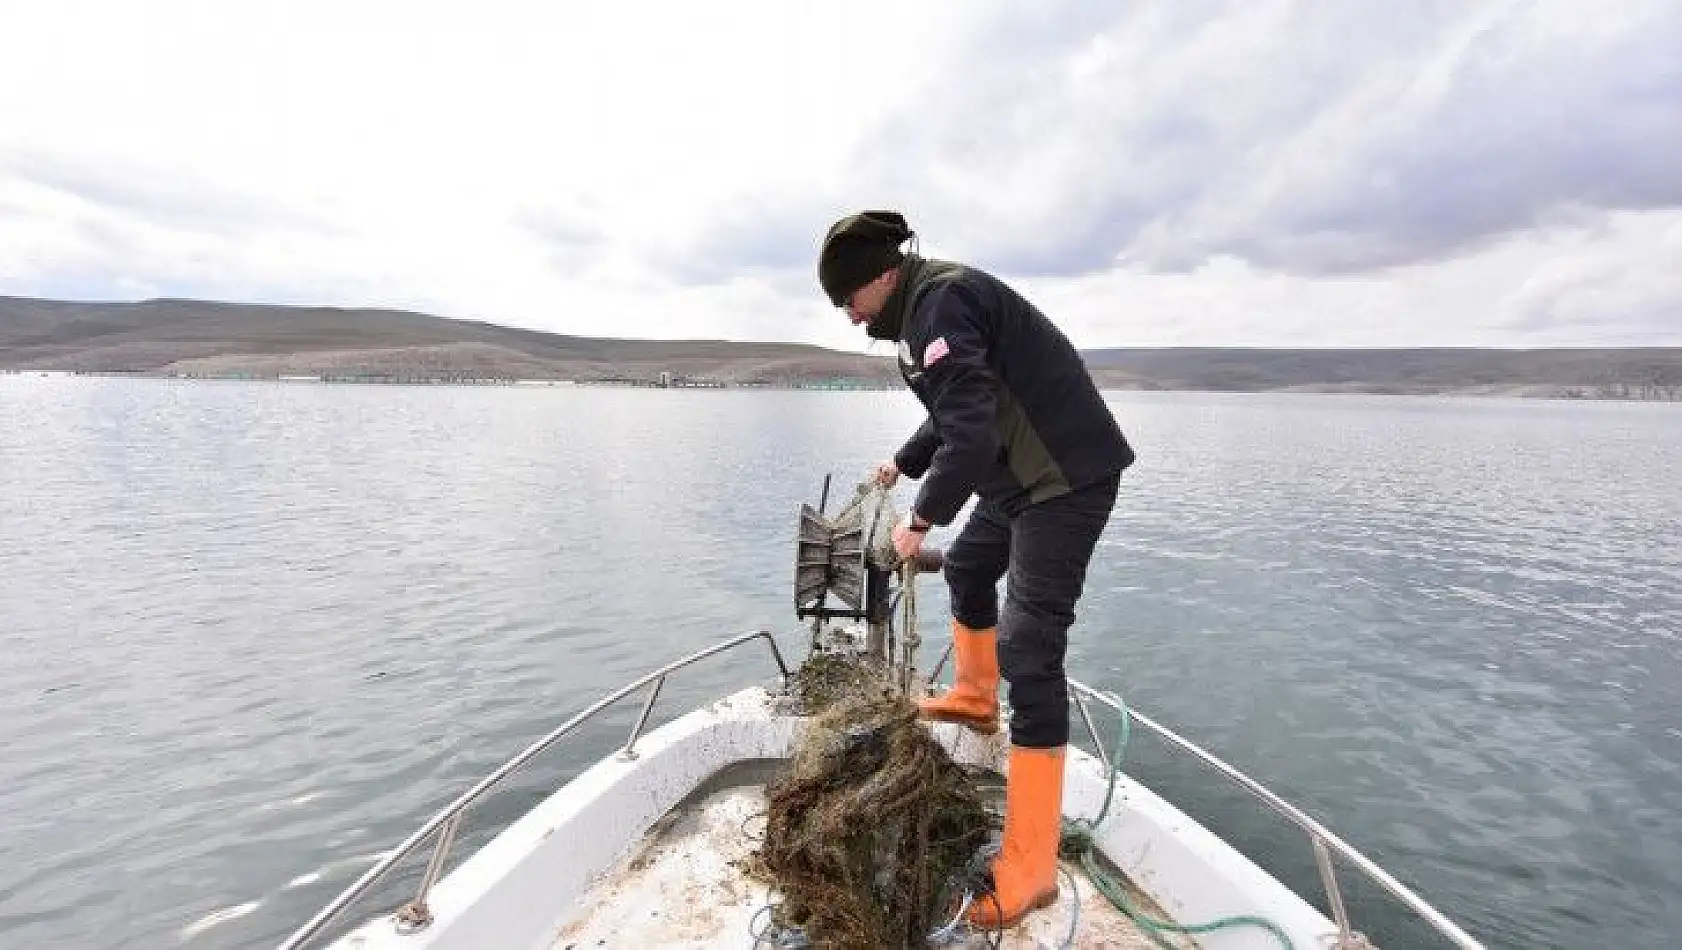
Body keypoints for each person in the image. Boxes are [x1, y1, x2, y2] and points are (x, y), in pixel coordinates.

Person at [817, 210, 1135, 930]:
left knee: (1032, 645)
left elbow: (973, 432)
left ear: (882, 276)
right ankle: (973, 696)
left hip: (1065, 479)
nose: (848, 315)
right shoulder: (924, 308)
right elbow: (957, 408)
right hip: (1016, 482)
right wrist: (904, 460)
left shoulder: (940, 304)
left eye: (849, 300)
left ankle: (1030, 867)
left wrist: (918, 519)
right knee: (967, 571)